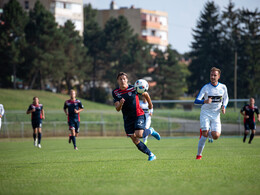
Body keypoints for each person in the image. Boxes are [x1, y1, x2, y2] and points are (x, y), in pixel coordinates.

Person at [112, 72, 160, 161]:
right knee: (134, 139)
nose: (122, 80)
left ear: (127, 80)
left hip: (138, 114)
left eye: (124, 79)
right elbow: (117, 108)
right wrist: (121, 103)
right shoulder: (115, 92)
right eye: (120, 79)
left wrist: (150, 104)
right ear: (118, 80)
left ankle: (150, 131)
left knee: (139, 134)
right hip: (127, 119)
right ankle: (151, 154)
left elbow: (145, 94)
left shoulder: (134, 88)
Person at [194, 67, 229, 160]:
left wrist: (224, 107)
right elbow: (196, 101)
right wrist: (204, 101)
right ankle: (199, 155)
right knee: (205, 134)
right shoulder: (206, 87)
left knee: (216, 136)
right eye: (211, 75)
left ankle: (205, 132)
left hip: (216, 115)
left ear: (219, 76)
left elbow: (226, 98)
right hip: (205, 113)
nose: (212, 77)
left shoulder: (223, 87)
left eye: (215, 75)